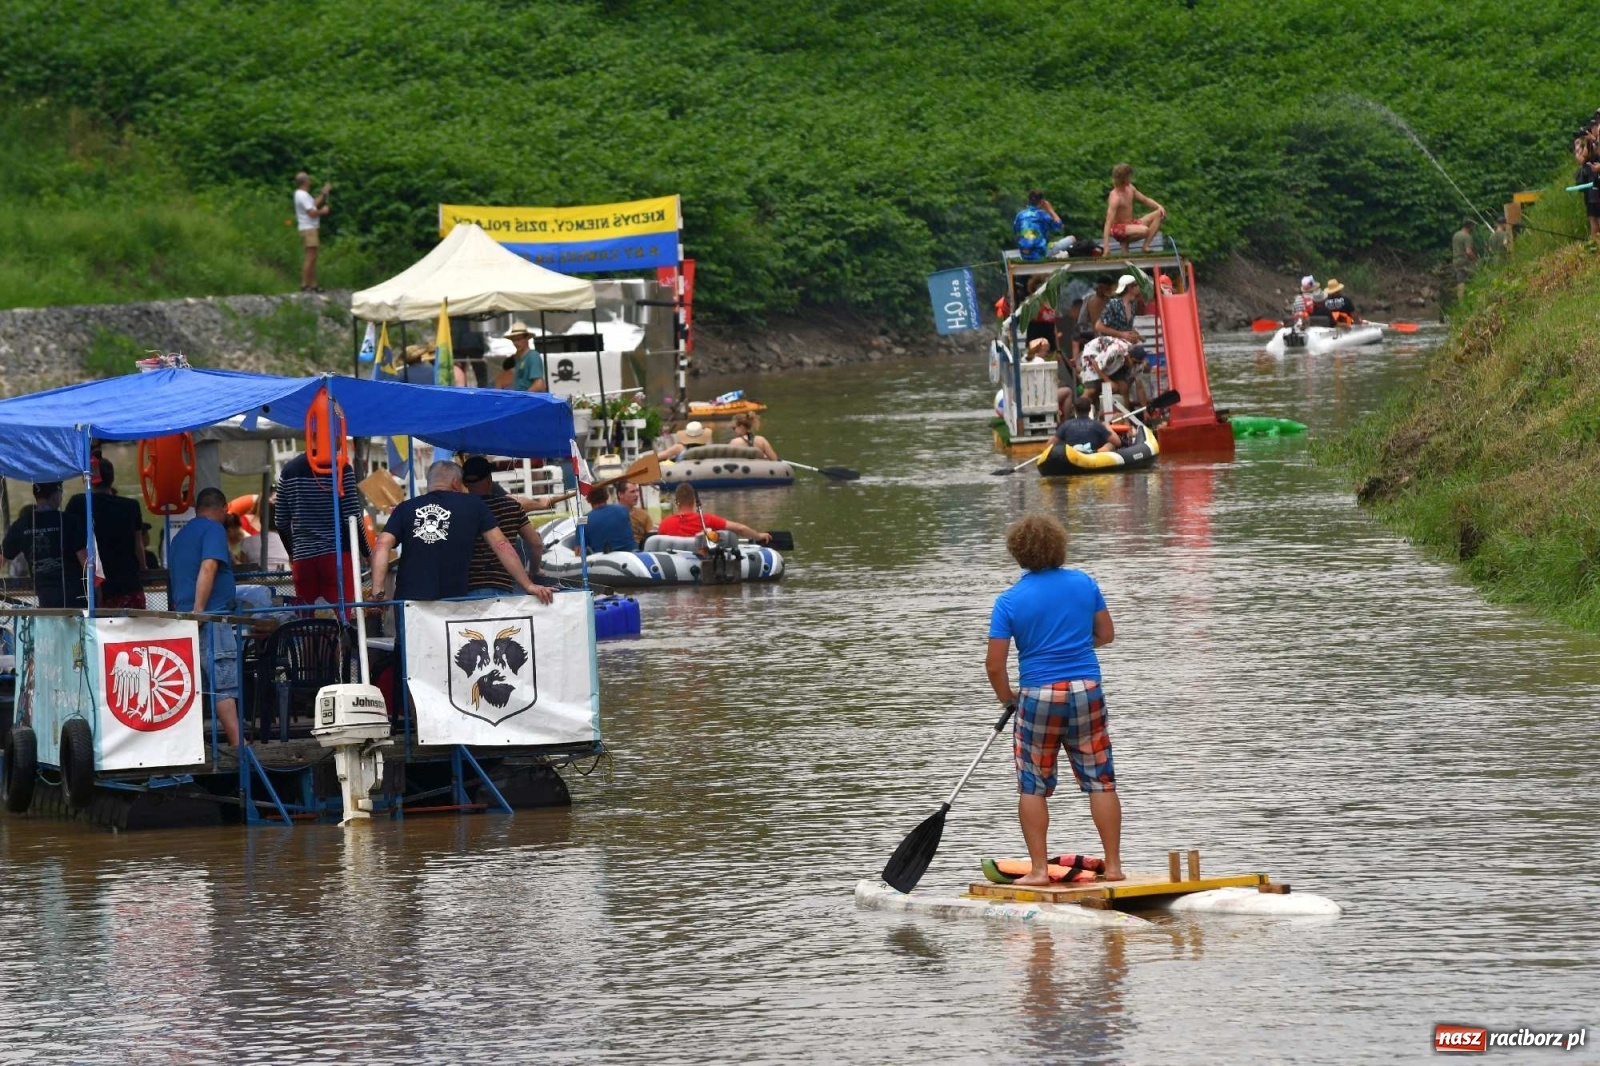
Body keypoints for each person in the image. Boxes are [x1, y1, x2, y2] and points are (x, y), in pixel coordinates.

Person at [985, 513, 1122, 886]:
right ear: (1059, 546)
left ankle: (1040, 872)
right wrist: (1076, 646)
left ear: (1018, 553)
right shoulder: (1084, 583)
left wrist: (1008, 699)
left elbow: (995, 666)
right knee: (1100, 780)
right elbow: (1106, 634)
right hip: (1086, 689)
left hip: (1038, 696)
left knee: (1033, 784)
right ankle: (1113, 868)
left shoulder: (1009, 601)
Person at [369, 460, 551, 603]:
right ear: (456, 483)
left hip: (409, 600)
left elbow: (381, 545)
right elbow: (501, 544)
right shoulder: (473, 505)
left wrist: (378, 592)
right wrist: (528, 585)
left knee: (410, 650)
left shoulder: (405, 508)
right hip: (454, 601)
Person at [167, 487, 243, 746]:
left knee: (193, 686)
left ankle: (190, 746)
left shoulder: (179, 537)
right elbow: (209, 566)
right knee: (223, 684)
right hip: (211, 619)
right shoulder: (214, 529)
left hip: (183, 620)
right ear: (222, 509)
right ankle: (238, 746)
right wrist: (200, 611)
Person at [274, 450, 366, 612]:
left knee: (307, 622)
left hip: (303, 560)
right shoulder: (341, 468)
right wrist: (367, 552)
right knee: (340, 620)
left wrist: (293, 552)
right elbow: (352, 517)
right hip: (337, 556)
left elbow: (281, 521)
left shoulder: (288, 471)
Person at [65, 456, 150, 609]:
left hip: (96, 587)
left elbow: (71, 541)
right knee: (134, 630)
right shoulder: (131, 506)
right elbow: (138, 542)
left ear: (87, 479)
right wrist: (143, 567)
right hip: (129, 584)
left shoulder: (79, 503)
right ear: (112, 478)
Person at [460, 455, 547, 592]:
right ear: (490, 480)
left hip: (465, 587)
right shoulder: (511, 506)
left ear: (464, 483)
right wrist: (533, 571)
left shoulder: (458, 509)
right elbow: (536, 544)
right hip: (501, 585)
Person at [1, 482, 86, 608]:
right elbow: (86, 563)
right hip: (76, 599)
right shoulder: (71, 521)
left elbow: (2, 556)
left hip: (45, 600)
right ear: (55, 496)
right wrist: (97, 591)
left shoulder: (21, 524)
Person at [656, 484, 772, 544]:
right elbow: (740, 528)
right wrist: (758, 536)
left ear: (676, 502)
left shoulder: (664, 524)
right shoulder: (706, 520)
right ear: (693, 501)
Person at [1102, 163, 1166, 254]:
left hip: (1130, 224)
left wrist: (1159, 206)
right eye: (1129, 176)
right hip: (1118, 228)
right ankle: (1124, 241)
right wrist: (1106, 247)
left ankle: (1145, 246)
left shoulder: (1130, 188)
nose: (1131, 178)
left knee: (1159, 213)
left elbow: (1145, 200)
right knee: (1145, 230)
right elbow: (1108, 222)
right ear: (1123, 178)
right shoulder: (1115, 197)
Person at [293, 172, 331, 293]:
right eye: (308, 179)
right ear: (305, 182)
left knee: (313, 258)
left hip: (308, 228)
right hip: (309, 229)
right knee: (310, 258)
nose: (310, 181)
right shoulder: (302, 195)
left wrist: (324, 194)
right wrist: (323, 211)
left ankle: (313, 285)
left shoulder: (301, 195)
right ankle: (304, 285)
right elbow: (312, 212)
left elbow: (313, 203)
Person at [580, 486, 640, 554]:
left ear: (588, 499)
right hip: (633, 555)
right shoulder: (623, 509)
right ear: (607, 496)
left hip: (605, 561)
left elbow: (579, 551)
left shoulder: (582, 520)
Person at [1055, 397, 1123, 452]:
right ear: (1090, 409)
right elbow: (1117, 442)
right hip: (1093, 457)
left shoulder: (1066, 425)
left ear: (1075, 410)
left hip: (1072, 457)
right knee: (1110, 444)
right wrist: (1107, 425)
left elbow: (1050, 443)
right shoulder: (1097, 425)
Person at [1013, 190, 1062, 262]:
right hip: (1039, 253)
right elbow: (1059, 226)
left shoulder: (1020, 215)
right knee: (1071, 239)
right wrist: (1050, 209)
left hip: (1024, 253)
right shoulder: (1042, 214)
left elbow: (1015, 230)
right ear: (1042, 202)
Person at [1094, 275, 1143, 345]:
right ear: (1129, 287)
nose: (1138, 287)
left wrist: (1136, 335)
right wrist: (1122, 334)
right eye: (1135, 285)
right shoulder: (1114, 304)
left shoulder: (1132, 305)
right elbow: (1098, 326)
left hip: (1123, 345)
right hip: (1109, 345)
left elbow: (1125, 327)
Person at [505, 321, 549, 393]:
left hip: (531, 401)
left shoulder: (533, 356)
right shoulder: (519, 358)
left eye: (518, 339)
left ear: (527, 339)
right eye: (514, 340)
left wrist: (524, 397)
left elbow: (539, 384)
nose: (516, 343)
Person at [617, 480, 652, 545]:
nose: (636, 495)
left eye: (637, 491)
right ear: (620, 494)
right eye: (632, 492)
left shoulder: (644, 515)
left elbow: (651, 538)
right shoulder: (612, 515)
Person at [1451, 219, 1478, 301]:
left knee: (1460, 281)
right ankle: (1472, 297)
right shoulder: (1467, 236)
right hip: (1464, 261)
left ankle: (1460, 300)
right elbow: (1468, 251)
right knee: (1475, 275)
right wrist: (1475, 259)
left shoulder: (1456, 234)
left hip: (1455, 260)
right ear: (1470, 227)